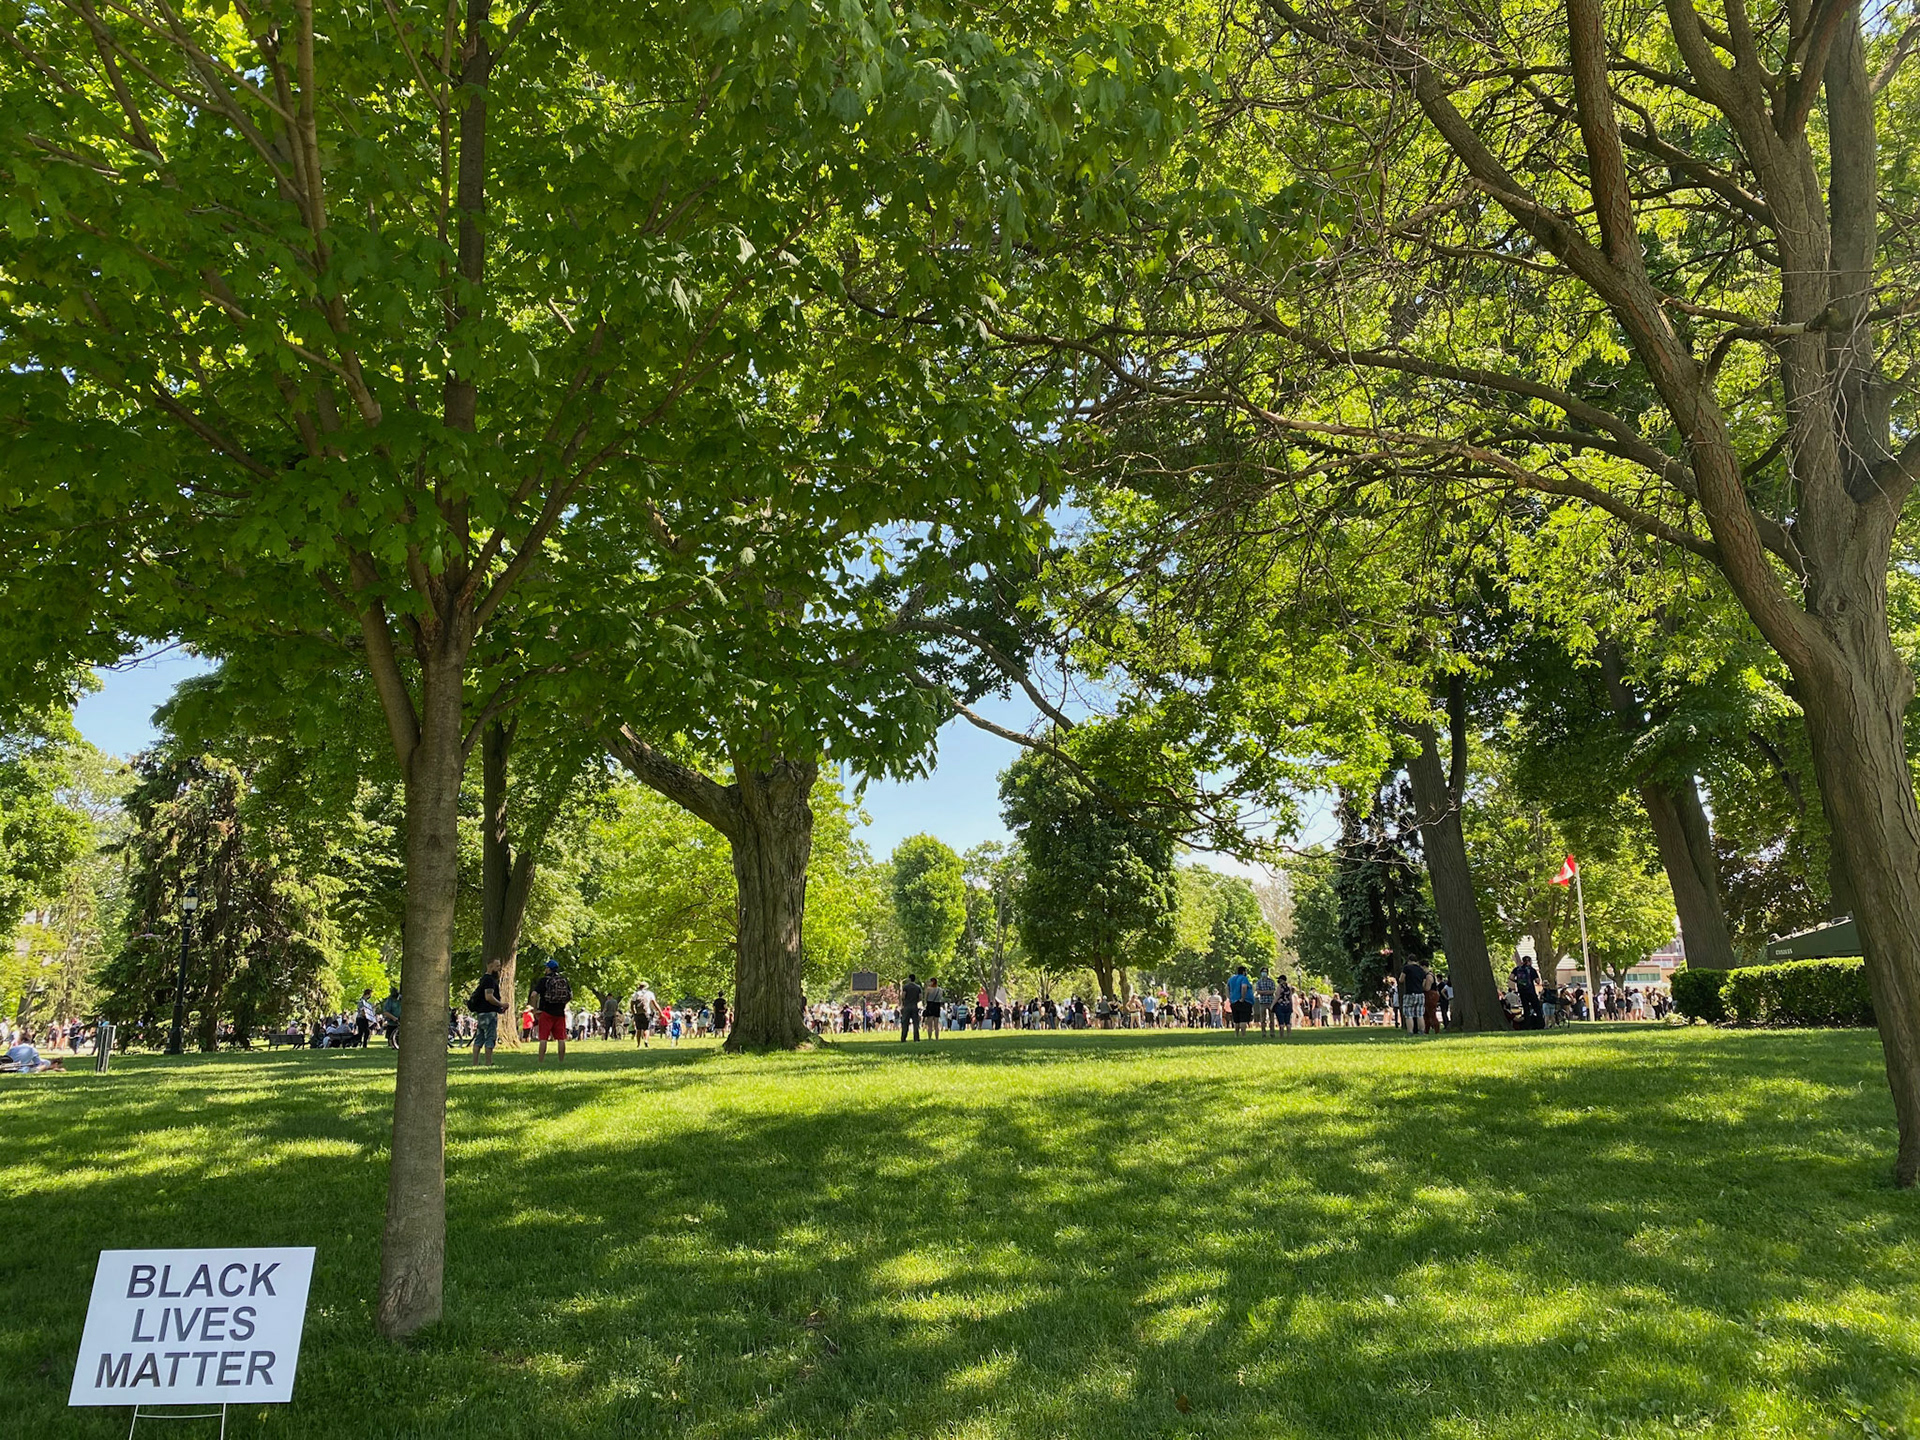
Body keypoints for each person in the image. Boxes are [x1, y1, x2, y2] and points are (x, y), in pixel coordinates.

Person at [530, 958, 572, 1061]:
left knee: (543, 1038)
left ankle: (541, 1060)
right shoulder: (564, 980)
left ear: (548, 969)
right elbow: (570, 996)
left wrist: (535, 1009)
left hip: (546, 1011)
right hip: (560, 1013)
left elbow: (533, 995)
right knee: (561, 1038)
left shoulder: (544, 980)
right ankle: (561, 1060)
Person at [468, 956, 507, 1066]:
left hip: (481, 1013)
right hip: (489, 1013)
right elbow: (489, 996)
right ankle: (488, 1063)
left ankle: (475, 1063)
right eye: (497, 966)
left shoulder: (483, 979)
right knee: (490, 1037)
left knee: (479, 1038)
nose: (499, 968)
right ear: (490, 966)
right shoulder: (489, 980)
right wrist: (501, 1004)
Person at [1400, 958, 1430, 1035]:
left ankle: (1410, 1032)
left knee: (1408, 1014)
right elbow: (1423, 984)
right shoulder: (1421, 970)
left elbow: (1401, 979)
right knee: (1420, 1014)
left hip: (1410, 993)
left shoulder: (1407, 968)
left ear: (1409, 960)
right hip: (1420, 993)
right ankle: (1422, 1031)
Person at [1513, 954, 1543, 1025]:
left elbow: (1511, 977)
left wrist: (1517, 981)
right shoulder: (1532, 970)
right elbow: (1537, 981)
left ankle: (1527, 1024)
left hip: (1522, 992)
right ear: (1529, 962)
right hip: (1531, 991)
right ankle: (1540, 1024)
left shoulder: (1517, 969)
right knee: (1537, 1008)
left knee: (1526, 1009)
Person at [1226, 965, 1255, 1037]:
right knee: (1243, 1019)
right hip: (1244, 1001)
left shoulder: (1231, 979)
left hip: (1234, 1001)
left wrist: (1229, 998)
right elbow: (1244, 987)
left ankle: (1236, 1035)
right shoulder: (1244, 978)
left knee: (1236, 1019)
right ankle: (1243, 1035)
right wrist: (1242, 998)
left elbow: (1227, 988)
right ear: (1244, 972)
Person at [899, 973, 923, 1042]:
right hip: (914, 1006)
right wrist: (916, 1001)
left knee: (905, 1023)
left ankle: (903, 1038)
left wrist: (904, 1002)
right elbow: (920, 997)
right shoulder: (918, 987)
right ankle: (916, 1038)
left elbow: (903, 996)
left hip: (907, 1006)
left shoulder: (906, 987)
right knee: (916, 1023)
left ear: (909, 979)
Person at [1254, 969, 1278, 1036]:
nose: (1264, 973)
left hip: (1270, 1002)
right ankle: (1263, 1033)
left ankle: (1272, 1032)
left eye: (1265, 972)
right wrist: (1267, 992)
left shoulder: (1271, 981)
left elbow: (1273, 991)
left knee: (1272, 1019)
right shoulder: (1259, 982)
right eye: (1263, 972)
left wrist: (1263, 992)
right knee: (1262, 1019)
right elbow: (1258, 991)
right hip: (1262, 1002)